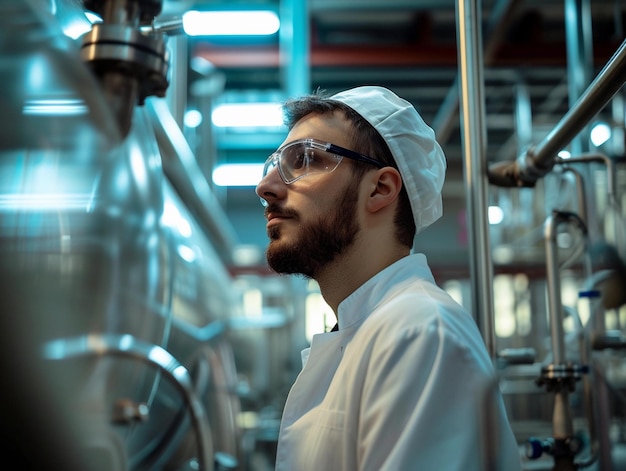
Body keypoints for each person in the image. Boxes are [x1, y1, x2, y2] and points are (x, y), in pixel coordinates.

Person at [255, 86, 521, 470]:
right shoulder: (368, 330)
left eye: (306, 159)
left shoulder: (419, 333)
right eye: (275, 165)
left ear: (380, 189)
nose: (265, 187)